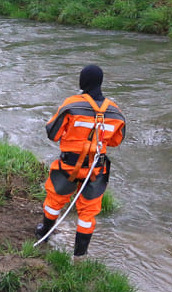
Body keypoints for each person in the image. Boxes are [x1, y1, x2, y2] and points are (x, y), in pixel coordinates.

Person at [35, 64, 126, 259]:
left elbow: (53, 133)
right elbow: (117, 140)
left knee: (55, 200)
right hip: (96, 168)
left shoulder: (71, 104)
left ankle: (44, 233)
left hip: (68, 166)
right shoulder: (115, 111)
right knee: (88, 212)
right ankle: (79, 255)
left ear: (82, 81)